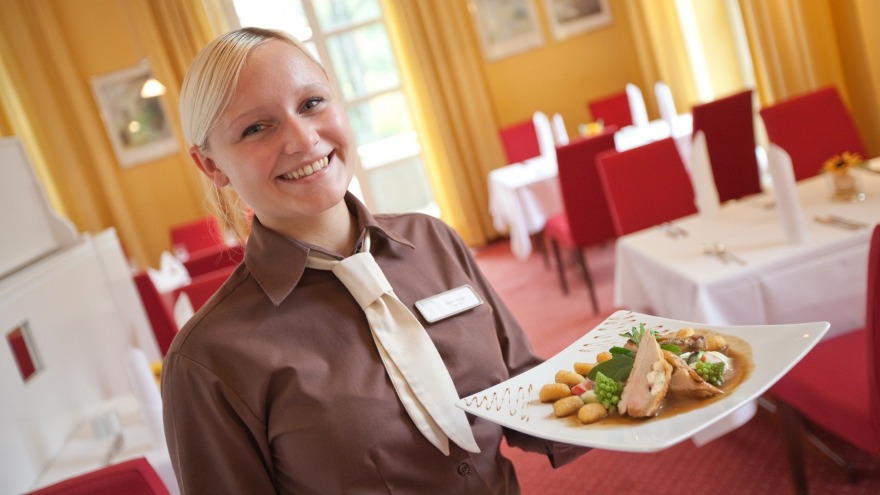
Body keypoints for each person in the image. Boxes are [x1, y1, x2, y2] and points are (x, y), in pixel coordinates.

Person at [162, 26, 587, 494]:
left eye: (311, 103)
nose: (303, 139)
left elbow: (522, 385)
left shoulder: (431, 240)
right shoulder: (207, 359)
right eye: (256, 128)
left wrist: (621, 390)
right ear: (211, 165)